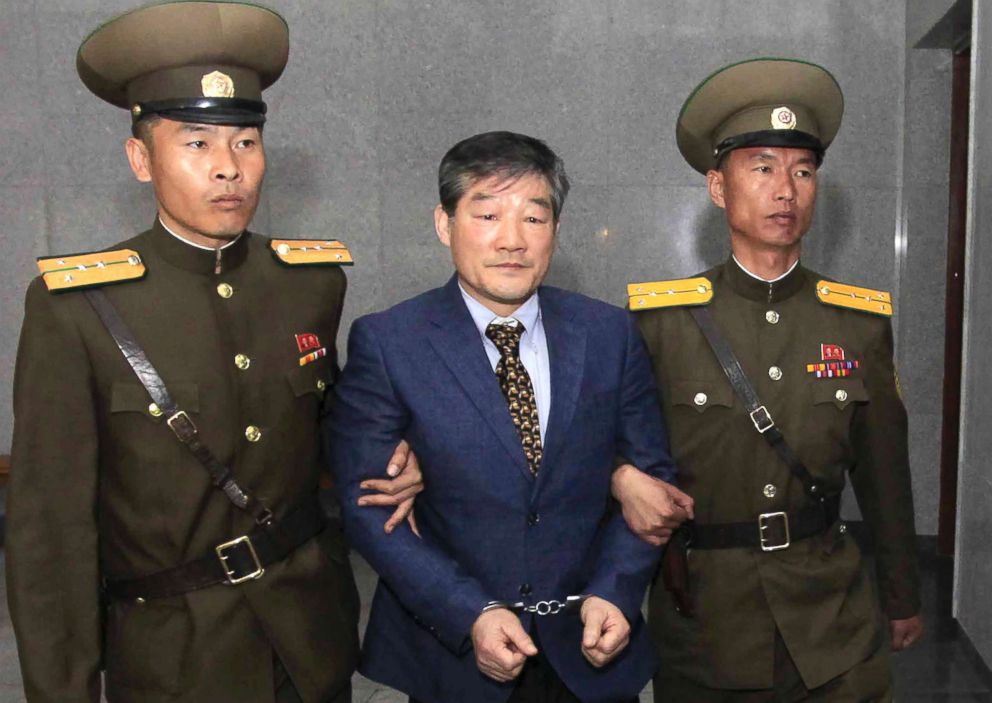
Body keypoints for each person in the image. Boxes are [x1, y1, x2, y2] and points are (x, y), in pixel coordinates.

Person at [5, 3, 421, 701]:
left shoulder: (309, 283)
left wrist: (398, 462)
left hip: (306, 648)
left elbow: (323, 435)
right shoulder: (74, 308)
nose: (229, 168)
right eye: (196, 143)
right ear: (141, 158)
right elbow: (49, 539)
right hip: (174, 659)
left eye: (246, 142)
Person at [327, 131, 681, 703]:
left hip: (588, 649)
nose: (511, 240)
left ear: (556, 232)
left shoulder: (608, 333)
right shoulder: (391, 343)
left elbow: (651, 479)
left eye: (534, 219)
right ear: (445, 224)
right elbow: (370, 509)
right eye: (487, 214)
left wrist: (615, 591)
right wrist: (471, 612)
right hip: (455, 658)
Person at [611, 57, 924, 701]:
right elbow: (606, 445)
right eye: (762, 168)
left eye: (803, 171)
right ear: (719, 188)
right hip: (706, 619)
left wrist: (901, 597)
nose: (786, 189)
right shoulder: (661, 322)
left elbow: (884, 470)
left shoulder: (857, 321)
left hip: (830, 612)